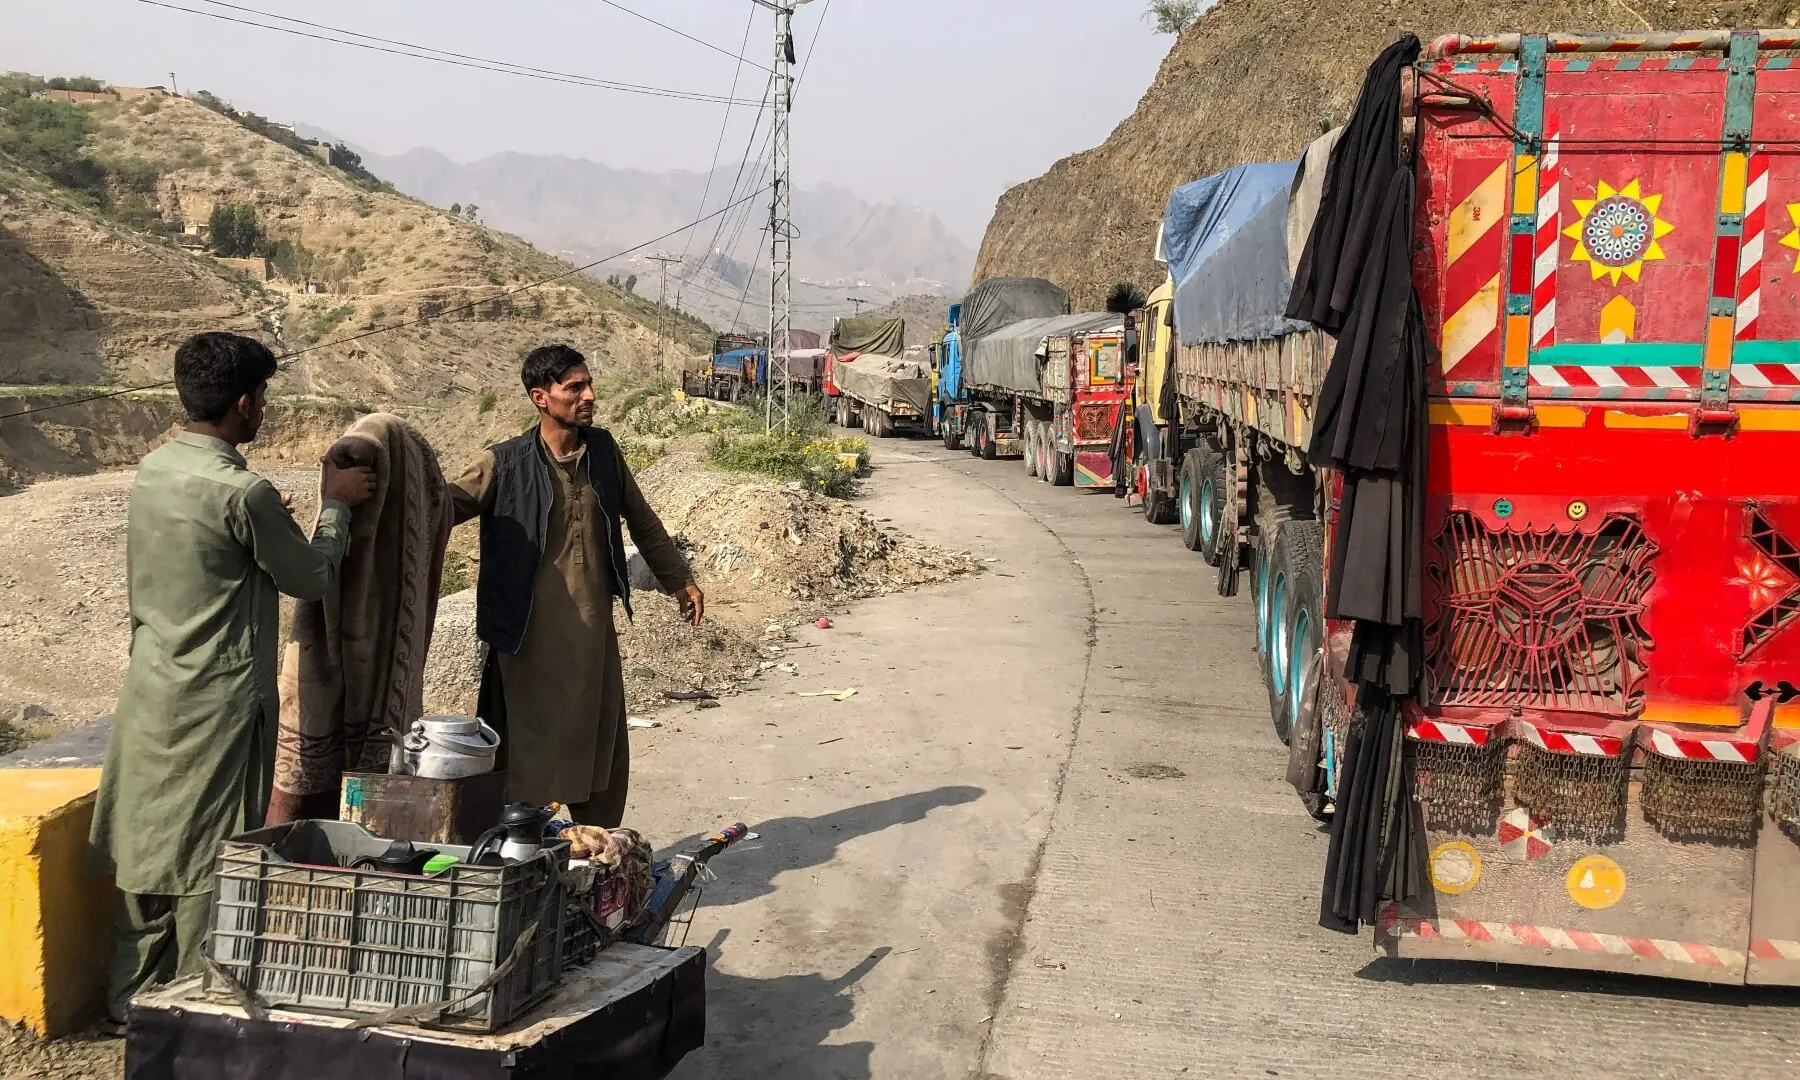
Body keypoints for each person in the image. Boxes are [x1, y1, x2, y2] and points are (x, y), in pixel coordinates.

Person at [86, 332, 378, 1030]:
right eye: (265, 398)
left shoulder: (155, 470)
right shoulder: (242, 492)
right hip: (217, 708)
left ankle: (130, 1005)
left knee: (148, 848)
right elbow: (308, 575)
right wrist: (334, 504)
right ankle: (192, 1015)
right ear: (245, 403)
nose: (265, 410)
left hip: (154, 693)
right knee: (211, 857)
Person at [449, 344, 701, 827]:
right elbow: (442, 508)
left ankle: (596, 845)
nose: (589, 395)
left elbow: (643, 521)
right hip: (526, 638)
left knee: (600, 740)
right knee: (527, 745)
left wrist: (679, 579)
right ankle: (523, 843)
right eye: (575, 387)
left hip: (592, 637)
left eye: (589, 384)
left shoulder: (603, 451)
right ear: (540, 398)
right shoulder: (502, 463)